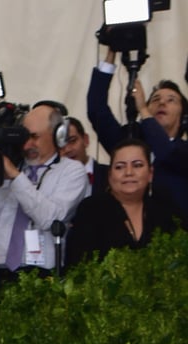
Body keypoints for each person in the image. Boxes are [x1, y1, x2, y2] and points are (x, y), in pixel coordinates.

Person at [0, 101, 89, 284]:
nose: (27, 145)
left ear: (57, 136)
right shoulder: (7, 169)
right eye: (23, 137)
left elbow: (50, 218)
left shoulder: (72, 171)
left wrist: (16, 177)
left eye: (34, 137)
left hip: (42, 274)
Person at [87, 49, 188, 217]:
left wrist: (142, 109)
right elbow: (97, 111)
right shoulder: (129, 140)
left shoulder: (183, 151)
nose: (162, 103)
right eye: (155, 99)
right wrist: (111, 53)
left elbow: (167, 154)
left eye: (171, 100)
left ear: (183, 116)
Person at [66, 138, 186, 268]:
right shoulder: (91, 210)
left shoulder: (166, 209)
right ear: (110, 175)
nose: (129, 173)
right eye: (120, 167)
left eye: (137, 165)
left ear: (150, 173)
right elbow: (78, 267)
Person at [59, 117, 109, 195]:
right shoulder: (54, 181)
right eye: (61, 146)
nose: (67, 150)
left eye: (72, 141)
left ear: (85, 140)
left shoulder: (110, 174)